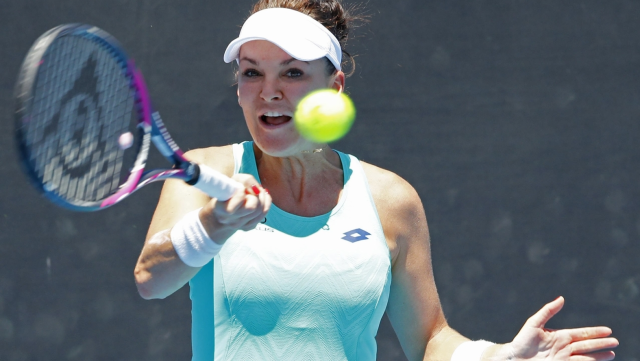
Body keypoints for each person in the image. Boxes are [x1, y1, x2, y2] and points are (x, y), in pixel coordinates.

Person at [133, 1, 619, 360]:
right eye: (251, 73)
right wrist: (214, 223)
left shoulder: (390, 200)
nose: (269, 92)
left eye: (294, 72)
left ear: (334, 87)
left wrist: (501, 356)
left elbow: (430, 339)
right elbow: (150, 279)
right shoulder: (205, 174)